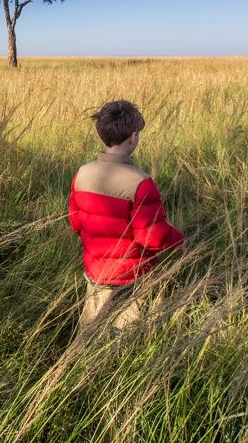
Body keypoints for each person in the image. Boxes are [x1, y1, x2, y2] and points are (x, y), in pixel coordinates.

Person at [67, 100, 184, 334]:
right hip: (132, 276)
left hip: (95, 271)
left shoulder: (82, 174)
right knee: (126, 336)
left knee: (89, 331)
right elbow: (152, 237)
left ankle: (82, 367)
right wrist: (179, 241)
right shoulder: (140, 183)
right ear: (133, 137)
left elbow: (75, 222)